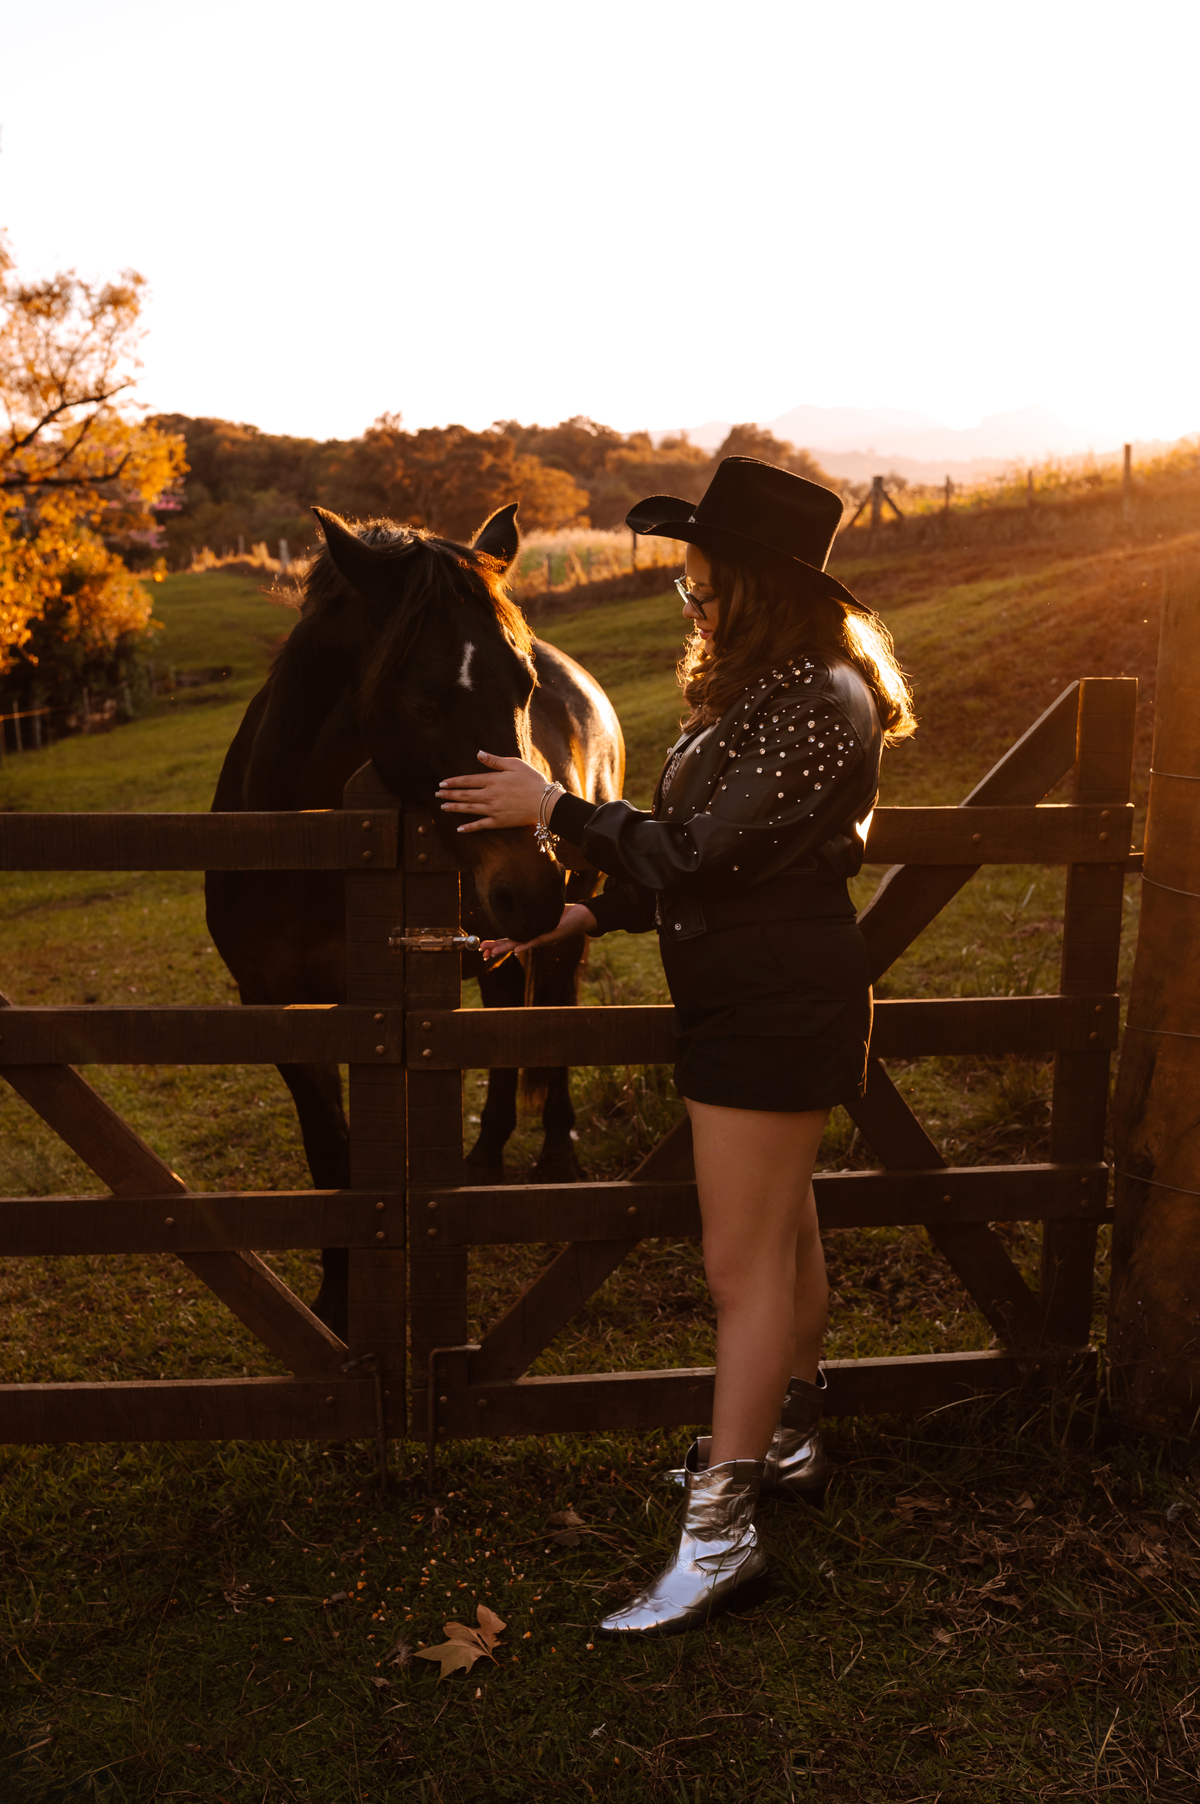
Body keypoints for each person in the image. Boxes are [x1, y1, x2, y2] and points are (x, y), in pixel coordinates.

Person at [436, 456, 916, 1639]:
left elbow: (699, 855)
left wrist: (552, 809)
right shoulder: (766, 695)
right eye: (686, 591)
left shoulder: (821, 700)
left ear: (758, 585)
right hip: (743, 990)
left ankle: (718, 1534)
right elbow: (702, 856)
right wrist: (585, 909)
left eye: (703, 588)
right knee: (782, 1242)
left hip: (774, 998)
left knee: (736, 1270)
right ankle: (790, 1441)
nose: (692, 608)